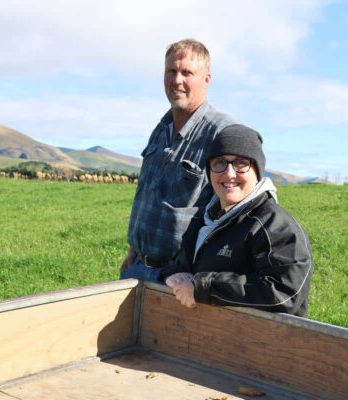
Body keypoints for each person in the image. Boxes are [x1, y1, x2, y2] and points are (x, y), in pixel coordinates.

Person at [161, 125, 313, 317]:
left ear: (257, 171)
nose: (229, 173)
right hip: (212, 336)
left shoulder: (276, 227)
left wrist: (203, 287)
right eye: (219, 162)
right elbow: (186, 266)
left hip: (266, 343)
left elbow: (283, 293)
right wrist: (173, 274)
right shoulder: (205, 220)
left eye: (241, 163)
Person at [120, 39, 236, 281]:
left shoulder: (221, 134)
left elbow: (232, 213)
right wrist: (133, 251)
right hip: (137, 267)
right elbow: (146, 193)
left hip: (178, 278)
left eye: (187, 73)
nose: (177, 80)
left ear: (206, 79)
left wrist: (199, 277)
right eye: (171, 71)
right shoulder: (161, 128)